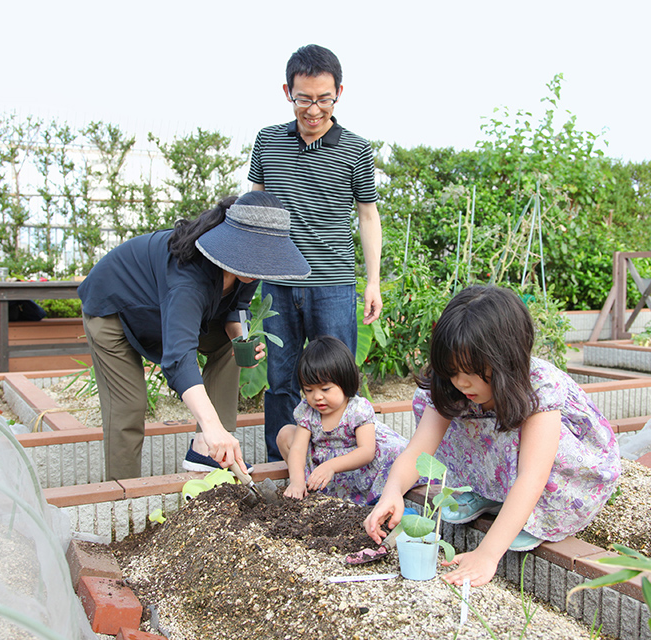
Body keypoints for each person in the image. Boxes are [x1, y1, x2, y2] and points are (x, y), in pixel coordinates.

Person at [364, 286, 621, 587]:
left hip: (565, 477)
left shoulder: (538, 386)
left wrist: (487, 554)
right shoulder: (451, 385)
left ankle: (533, 514)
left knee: (523, 437)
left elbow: (532, 475)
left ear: (507, 359)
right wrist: (392, 492)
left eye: (472, 371)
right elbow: (418, 452)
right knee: (449, 411)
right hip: (512, 467)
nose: (461, 382)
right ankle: (491, 494)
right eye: (452, 370)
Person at [78, 191, 310, 481]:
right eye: (254, 253)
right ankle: (122, 497)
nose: (260, 263)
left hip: (165, 312)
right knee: (129, 408)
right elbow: (178, 358)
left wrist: (243, 340)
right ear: (233, 242)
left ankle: (205, 449)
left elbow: (236, 307)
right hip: (113, 308)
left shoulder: (247, 269)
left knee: (231, 345)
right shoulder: (189, 275)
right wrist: (211, 424)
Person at [249, 43, 383, 462]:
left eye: (324, 99)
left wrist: (373, 282)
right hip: (278, 282)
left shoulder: (356, 148)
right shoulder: (267, 142)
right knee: (281, 380)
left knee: (338, 380)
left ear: (339, 93)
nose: (313, 109)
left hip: (334, 284)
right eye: (304, 98)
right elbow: (255, 205)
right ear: (287, 91)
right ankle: (281, 464)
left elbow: (368, 216)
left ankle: (341, 465)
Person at [277, 336, 407, 506]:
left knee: (396, 453)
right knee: (285, 434)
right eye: (308, 390)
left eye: (325, 389)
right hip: (322, 465)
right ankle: (309, 488)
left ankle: (374, 498)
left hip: (356, 468)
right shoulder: (308, 411)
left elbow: (367, 451)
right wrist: (296, 481)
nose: (317, 397)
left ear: (345, 382)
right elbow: (298, 449)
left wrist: (332, 465)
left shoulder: (356, 409)